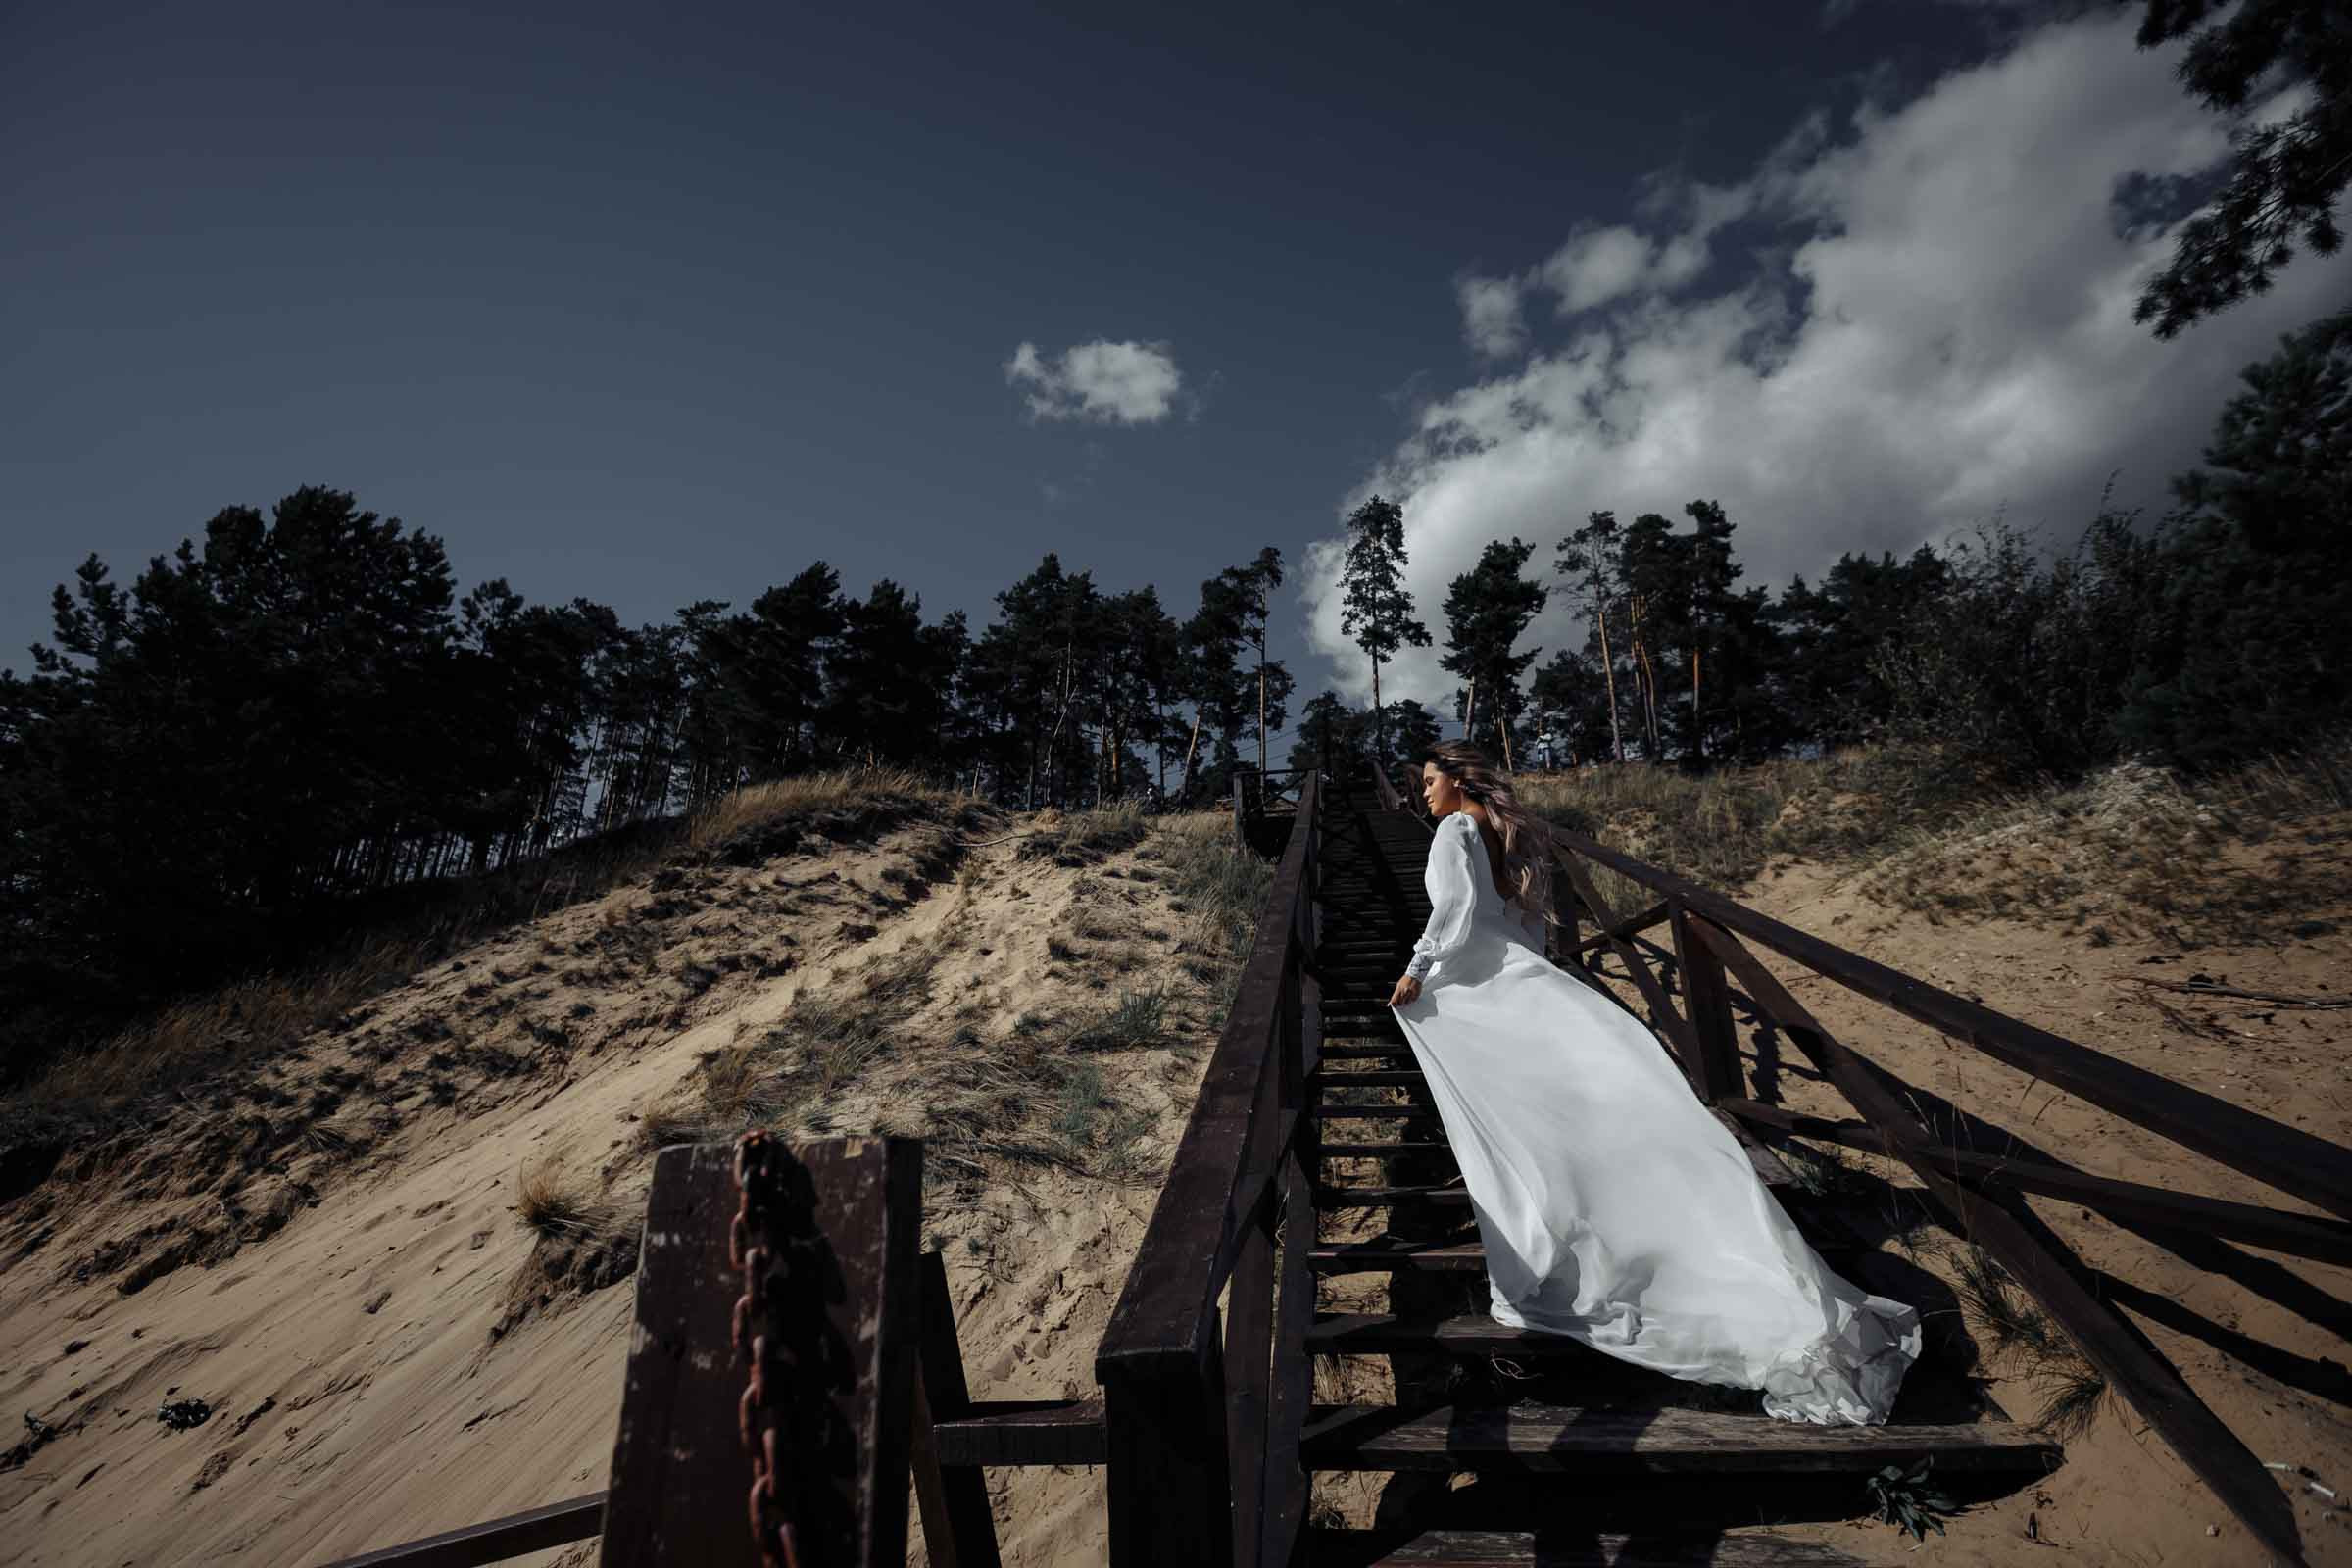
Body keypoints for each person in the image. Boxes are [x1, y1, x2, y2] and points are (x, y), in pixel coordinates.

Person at [1384, 742, 1921, 1425]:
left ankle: (1561, 1242)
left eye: (1430, 782)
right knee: (1567, 1117)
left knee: (1517, 1126)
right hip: (1527, 983)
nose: (1422, 795)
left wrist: (1419, 968)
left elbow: (1455, 911)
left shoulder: (1456, 829)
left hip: (1482, 990)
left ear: (1460, 782)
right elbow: (1525, 931)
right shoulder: (1505, 839)